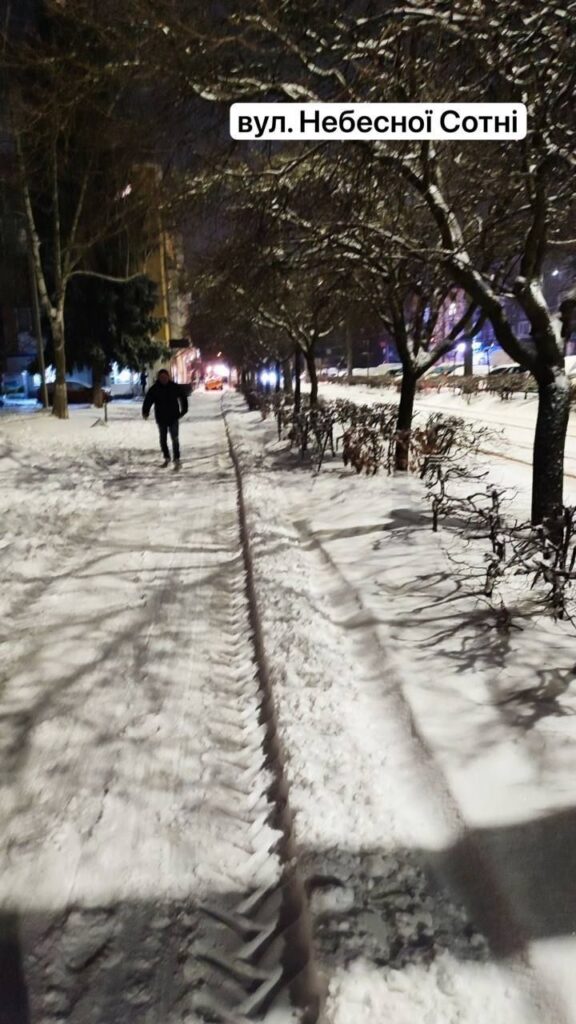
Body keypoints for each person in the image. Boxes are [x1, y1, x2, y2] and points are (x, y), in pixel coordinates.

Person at [142, 369, 188, 467]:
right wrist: (145, 412)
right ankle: (167, 457)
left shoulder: (174, 387)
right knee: (163, 439)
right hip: (161, 417)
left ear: (168, 377)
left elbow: (183, 397)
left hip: (173, 417)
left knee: (175, 438)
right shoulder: (155, 389)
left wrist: (184, 410)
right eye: (161, 377)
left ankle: (176, 458)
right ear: (158, 378)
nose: (163, 379)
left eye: (165, 377)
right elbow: (148, 401)